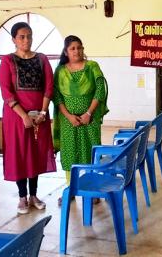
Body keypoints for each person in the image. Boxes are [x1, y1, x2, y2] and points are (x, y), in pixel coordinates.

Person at [0, 22, 56, 214]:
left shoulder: (42, 59)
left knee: (36, 154)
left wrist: (43, 112)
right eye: (22, 37)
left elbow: (49, 86)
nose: (26, 40)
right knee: (20, 154)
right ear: (14, 39)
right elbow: (6, 92)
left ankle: (34, 195)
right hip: (16, 117)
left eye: (29, 36)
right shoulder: (7, 61)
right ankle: (22, 197)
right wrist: (24, 116)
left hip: (39, 116)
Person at [53, 35, 108, 204]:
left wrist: (89, 113)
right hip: (68, 121)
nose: (77, 51)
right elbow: (57, 95)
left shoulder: (92, 67)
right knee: (70, 153)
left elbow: (100, 90)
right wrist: (69, 116)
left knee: (90, 152)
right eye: (73, 48)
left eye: (80, 47)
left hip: (88, 120)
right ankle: (71, 189)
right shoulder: (61, 70)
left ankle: (92, 191)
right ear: (66, 52)